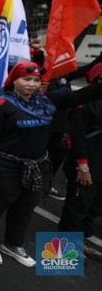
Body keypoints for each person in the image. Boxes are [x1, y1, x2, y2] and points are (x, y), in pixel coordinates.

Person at [0, 61, 102, 267]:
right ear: (13, 80)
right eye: (26, 79)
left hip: (37, 166)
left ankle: (13, 244)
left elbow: (80, 96)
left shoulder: (47, 102)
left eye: (36, 80)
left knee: (25, 208)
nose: (31, 84)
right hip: (7, 166)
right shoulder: (0, 105)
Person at [58, 63, 102, 261]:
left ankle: (81, 242)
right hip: (86, 167)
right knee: (77, 207)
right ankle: (64, 254)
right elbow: (76, 138)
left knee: (94, 207)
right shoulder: (83, 103)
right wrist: (83, 166)